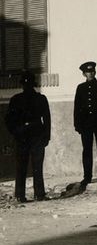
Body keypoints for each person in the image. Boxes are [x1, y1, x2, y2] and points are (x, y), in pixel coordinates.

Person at [5, 71, 51, 202]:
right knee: (24, 166)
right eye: (26, 84)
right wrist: (15, 132)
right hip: (24, 136)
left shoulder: (40, 99)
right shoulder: (17, 99)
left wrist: (46, 136)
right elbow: (9, 119)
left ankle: (37, 194)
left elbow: (47, 118)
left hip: (34, 136)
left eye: (28, 84)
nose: (27, 87)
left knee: (32, 166)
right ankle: (23, 195)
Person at [74, 61, 97, 186]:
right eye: (88, 72)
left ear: (95, 72)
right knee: (87, 150)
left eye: (92, 71)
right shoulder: (81, 88)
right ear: (84, 74)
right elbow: (77, 107)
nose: (90, 74)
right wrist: (77, 124)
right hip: (85, 124)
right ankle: (87, 176)